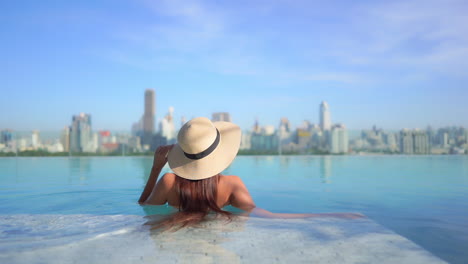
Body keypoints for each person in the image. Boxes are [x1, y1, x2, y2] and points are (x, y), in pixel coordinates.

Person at [139, 117, 362, 229]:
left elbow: (145, 207)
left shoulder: (168, 181)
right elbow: (269, 217)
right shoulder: (232, 184)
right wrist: (334, 216)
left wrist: (156, 168)